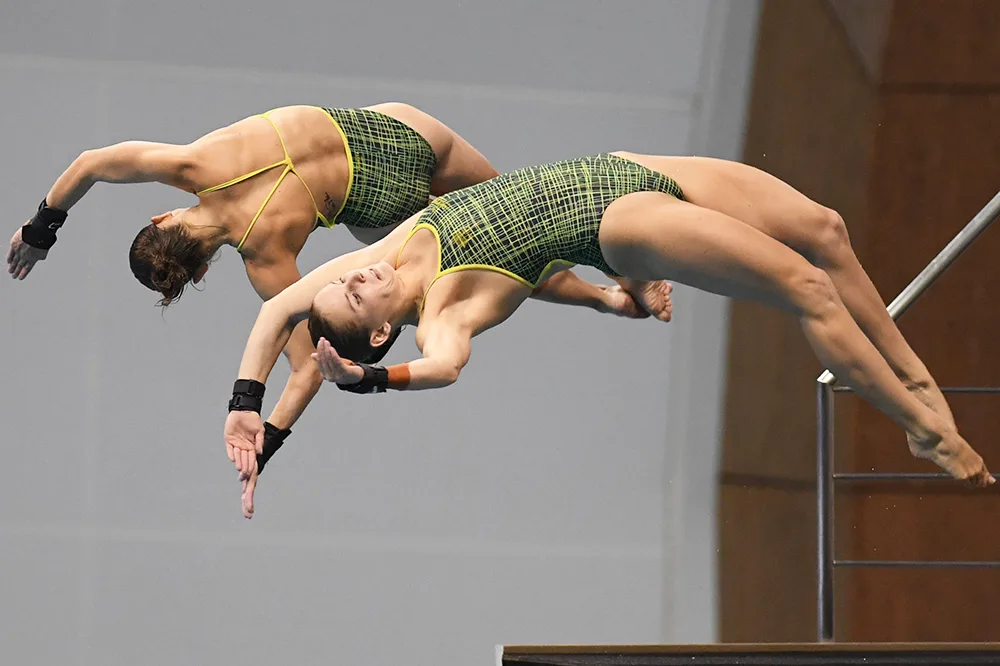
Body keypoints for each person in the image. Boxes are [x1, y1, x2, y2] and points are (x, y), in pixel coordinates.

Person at [223, 151, 993, 518]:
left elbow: (271, 313)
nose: (353, 275)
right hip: (614, 220)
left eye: (343, 277)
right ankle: (917, 424)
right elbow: (447, 369)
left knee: (826, 230)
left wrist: (249, 406)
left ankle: (914, 376)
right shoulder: (449, 312)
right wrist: (367, 383)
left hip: (622, 166)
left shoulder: (381, 256)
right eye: (354, 294)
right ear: (385, 328)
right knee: (807, 286)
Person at [7, 103, 671, 498]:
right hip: (402, 131)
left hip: (383, 204)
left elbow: (307, 366)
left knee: (497, 251)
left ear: (198, 273)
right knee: (524, 205)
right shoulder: (195, 164)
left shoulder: (266, 261)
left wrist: (266, 441)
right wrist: (44, 226)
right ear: (158, 220)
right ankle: (615, 269)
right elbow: (93, 161)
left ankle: (606, 299)